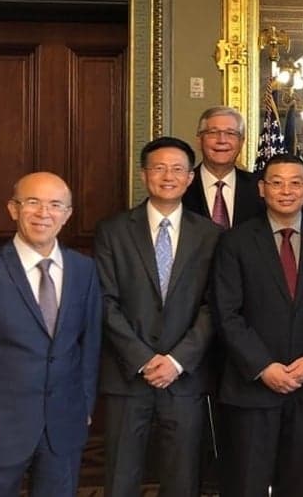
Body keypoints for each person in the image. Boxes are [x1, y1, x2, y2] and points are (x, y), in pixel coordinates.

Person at [0, 172, 101, 497]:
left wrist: (84, 406)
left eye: (55, 205)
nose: (44, 213)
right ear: (13, 209)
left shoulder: (85, 270)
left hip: (63, 426)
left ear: (68, 215)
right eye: (32, 203)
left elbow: (90, 344)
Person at [95, 136, 222, 497]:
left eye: (178, 169)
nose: (169, 176)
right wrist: (143, 358)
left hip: (185, 377)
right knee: (121, 476)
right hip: (127, 375)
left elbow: (215, 306)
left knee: (182, 479)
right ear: (144, 174)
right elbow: (105, 301)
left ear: (190, 178)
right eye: (159, 168)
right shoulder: (113, 230)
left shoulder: (212, 236)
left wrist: (177, 360)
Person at [211, 153, 303, 496]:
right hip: (252, 388)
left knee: (301, 484)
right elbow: (227, 313)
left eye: (295, 182)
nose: (287, 191)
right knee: (246, 484)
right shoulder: (234, 241)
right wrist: (263, 366)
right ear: (262, 189)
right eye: (277, 183)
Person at [183, 106, 264, 228]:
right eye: (213, 133)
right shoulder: (181, 185)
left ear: (241, 142)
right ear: (199, 141)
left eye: (230, 133)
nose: (222, 140)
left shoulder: (260, 187)